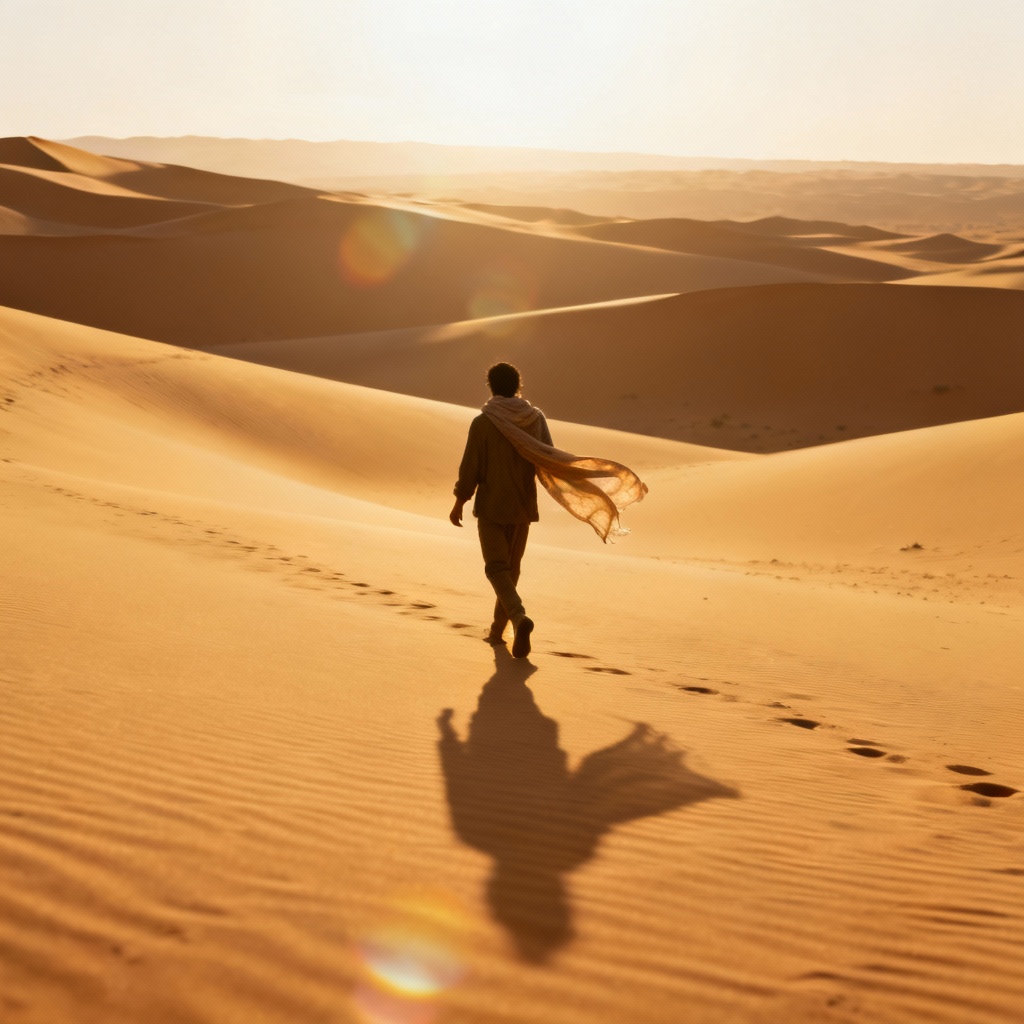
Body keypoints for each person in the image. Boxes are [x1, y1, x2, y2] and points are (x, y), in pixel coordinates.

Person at [450, 362, 549, 657]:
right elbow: (547, 456)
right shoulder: (535, 419)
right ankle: (497, 632)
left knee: (496, 568)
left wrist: (460, 500)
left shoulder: (484, 422)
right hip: (522, 507)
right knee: (511, 570)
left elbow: (471, 467)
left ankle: (518, 619)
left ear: (491, 386)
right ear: (518, 385)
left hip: (493, 506)